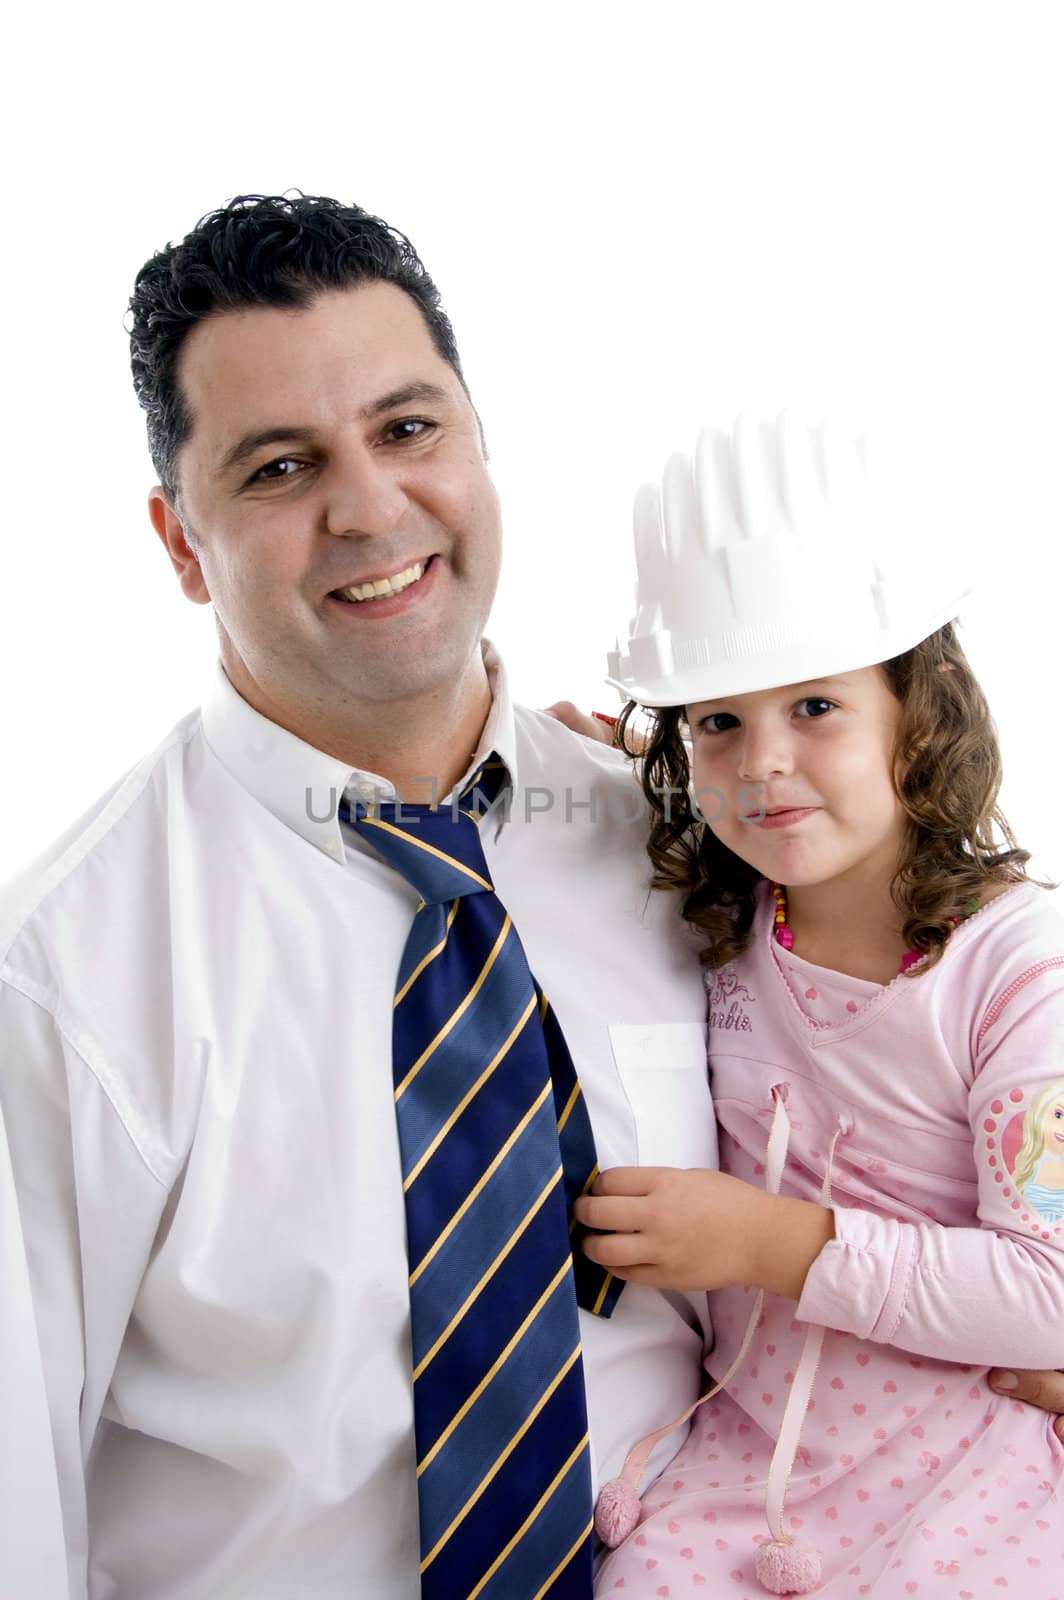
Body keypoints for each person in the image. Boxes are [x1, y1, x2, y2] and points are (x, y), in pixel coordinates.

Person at [0, 194, 716, 1598]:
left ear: (479, 444)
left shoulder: (691, 849)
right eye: (279, 467)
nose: (371, 508)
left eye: (407, 429)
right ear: (178, 540)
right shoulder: (63, 983)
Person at [573, 414, 1064, 1597]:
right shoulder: (722, 923)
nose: (761, 763)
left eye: (814, 707)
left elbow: (1049, 1293)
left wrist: (763, 1241)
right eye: (716, 720)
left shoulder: (1017, 968)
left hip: (966, 1477)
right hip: (731, 1475)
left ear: (919, 706)